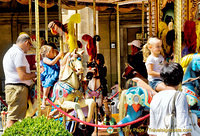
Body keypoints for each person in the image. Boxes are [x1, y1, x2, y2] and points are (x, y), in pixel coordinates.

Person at [3, 33, 36, 128]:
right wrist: (35, 74)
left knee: (15, 118)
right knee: (14, 119)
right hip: (18, 88)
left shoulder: (11, 51)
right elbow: (23, 76)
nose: (29, 48)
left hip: (15, 87)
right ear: (26, 42)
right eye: (30, 45)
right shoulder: (18, 53)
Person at [148, 62, 191, 136]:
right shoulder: (179, 96)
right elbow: (184, 130)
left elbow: (152, 131)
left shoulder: (155, 97)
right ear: (180, 78)